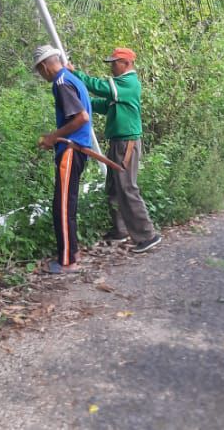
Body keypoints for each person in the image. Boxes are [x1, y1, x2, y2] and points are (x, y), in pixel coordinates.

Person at [70, 47, 161, 254]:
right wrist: (81, 101)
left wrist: (76, 74)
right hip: (118, 142)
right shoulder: (120, 87)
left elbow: (100, 87)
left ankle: (148, 235)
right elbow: (104, 104)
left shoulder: (128, 83)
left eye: (114, 63)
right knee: (113, 187)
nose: (111, 66)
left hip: (126, 143)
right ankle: (120, 230)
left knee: (127, 187)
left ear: (126, 63)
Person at [32, 45, 94, 274]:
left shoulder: (61, 83)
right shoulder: (70, 77)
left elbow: (81, 118)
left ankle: (67, 260)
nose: (42, 76)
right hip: (76, 149)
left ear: (44, 66)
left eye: (40, 71)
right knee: (67, 203)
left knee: (63, 206)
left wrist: (52, 138)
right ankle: (73, 252)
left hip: (71, 150)